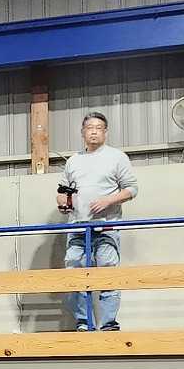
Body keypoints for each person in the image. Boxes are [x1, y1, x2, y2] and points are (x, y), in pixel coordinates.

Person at [57, 112, 138, 331]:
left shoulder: (117, 157)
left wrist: (108, 200)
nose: (93, 131)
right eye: (89, 128)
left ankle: (109, 324)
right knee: (74, 273)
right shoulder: (73, 160)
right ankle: (84, 322)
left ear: (105, 132)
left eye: (98, 128)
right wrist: (63, 202)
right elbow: (62, 190)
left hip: (107, 226)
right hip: (77, 226)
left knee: (108, 274)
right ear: (82, 132)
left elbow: (132, 188)